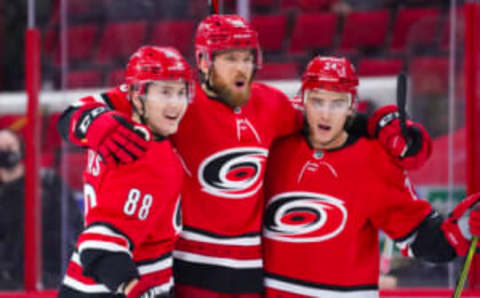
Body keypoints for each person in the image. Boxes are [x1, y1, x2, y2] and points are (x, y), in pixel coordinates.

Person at [57, 14, 432, 297]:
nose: (242, 67)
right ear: (204, 62)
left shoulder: (270, 104)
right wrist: (92, 120)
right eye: (230, 58)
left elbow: (329, 120)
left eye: (247, 57)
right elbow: (81, 110)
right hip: (186, 265)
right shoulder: (178, 101)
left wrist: (385, 123)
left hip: (249, 269)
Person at [261, 56, 480, 297]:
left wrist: (460, 230)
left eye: (336, 103)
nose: (325, 114)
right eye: (317, 101)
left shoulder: (372, 160)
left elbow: (421, 237)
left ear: (351, 105)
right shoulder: (276, 147)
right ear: (303, 100)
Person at [58, 46, 193, 298]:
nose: (175, 103)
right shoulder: (148, 156)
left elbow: (72, 114)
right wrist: (138, 290)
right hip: (114, 288)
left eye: (181, 92)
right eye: (164, 92)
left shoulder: (117, 117)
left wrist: (92, 120)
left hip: (83, 284)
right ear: (136, 95)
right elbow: (98, 246)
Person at [0, 128, 82, 289]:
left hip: (47, 278)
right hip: (6, 282)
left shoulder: (49, 186)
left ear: (20, 148)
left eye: (9, 146)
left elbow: (71, 227)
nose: (5, 151)